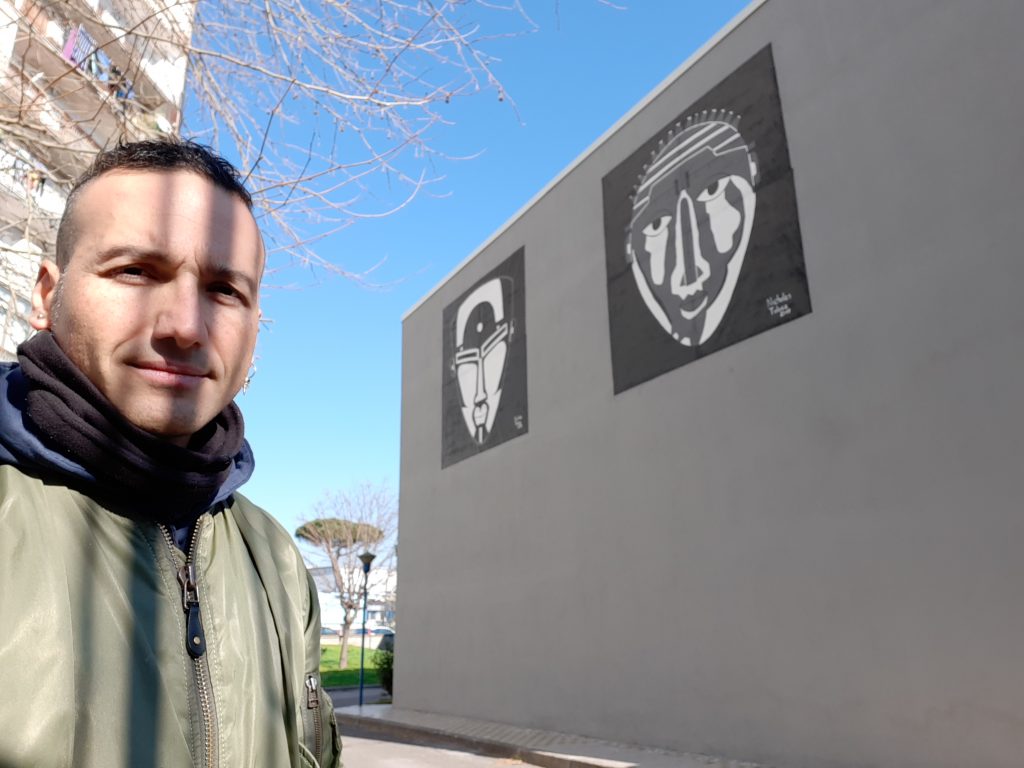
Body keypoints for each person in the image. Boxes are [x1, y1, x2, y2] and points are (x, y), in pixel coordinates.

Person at [0, 139, 342, 768]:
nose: (184, 326)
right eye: (135, 271)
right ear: (47, 295)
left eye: (224, 290)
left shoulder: (279, 563)